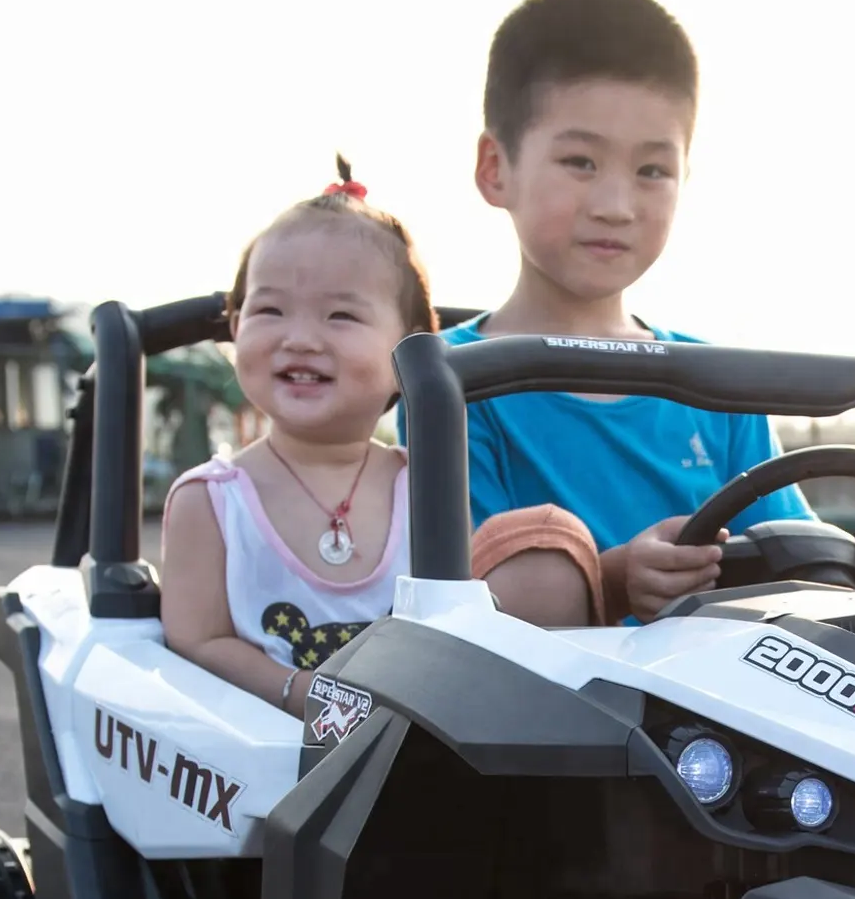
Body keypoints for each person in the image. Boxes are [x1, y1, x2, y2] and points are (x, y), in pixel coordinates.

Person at [451, 0, 855, 624]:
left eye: (651, 171)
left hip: (731, 696)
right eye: (581, 162)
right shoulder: (454, 381)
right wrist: (613, 582)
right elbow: (473, 606)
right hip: (565, 709)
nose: (615, 205)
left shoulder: (717, 385)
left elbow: (790, 556)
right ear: (494, 168)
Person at [161, 160, 600, 715]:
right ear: (234, 325)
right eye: (269, 309)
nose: (300, 338)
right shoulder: (210, 500)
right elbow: (197, 640)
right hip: (267, 762)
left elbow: (460, 623)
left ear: (409, 352)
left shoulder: (426, 485)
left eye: (340, 315)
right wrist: (307, 695)